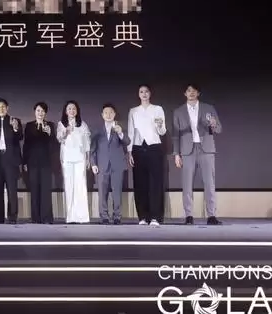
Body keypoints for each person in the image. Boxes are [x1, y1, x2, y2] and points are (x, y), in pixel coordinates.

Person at [172, 84, 223, 225]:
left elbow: (219, 129)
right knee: (187, 184)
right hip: (187, 150)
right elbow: (175, 135)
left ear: (198, 93)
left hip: (206, 149)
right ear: (185, 93)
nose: (191, 93)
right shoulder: (178, 111)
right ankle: (188, 215)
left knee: (209, 183)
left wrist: (213, 124)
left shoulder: (208, 108)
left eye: (194, 90)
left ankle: (211, 215)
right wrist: (176, 154)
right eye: (189, 90)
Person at [127, 84, 166, 227]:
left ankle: (155, 217)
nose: (144, 94)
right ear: (138, 94)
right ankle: (143, 216)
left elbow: (162, 131)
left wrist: (160, 125)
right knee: (140, 183)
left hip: (154, 147)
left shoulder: (158, 109)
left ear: (150, 93)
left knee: (155, 183)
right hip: (138, 148)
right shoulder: (133, 111)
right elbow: (130, 132)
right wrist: (130, 152)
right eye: (141, 92)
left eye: (146, 91)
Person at [90, 103, 130, 225]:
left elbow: (127, 141)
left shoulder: (119, 128)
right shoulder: (97, 131)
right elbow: (93, 149)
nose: (108, 115)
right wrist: (93, 163)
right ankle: (104, 216)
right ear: (102, 115)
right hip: (102, 165)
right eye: (106, 113)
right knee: (102, 192)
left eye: (111, 112)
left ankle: (117, 216)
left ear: (114, 114)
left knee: (117, 192)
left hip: (117, 165)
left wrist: (120, 133)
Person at [57, 100, 91, 224]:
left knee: (80, 186)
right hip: (67, 158)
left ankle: (81, 217)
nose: (72, 111)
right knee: (69, 185)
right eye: (69, 109)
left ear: (77, 111)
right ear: (66, 111)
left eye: (74, 109)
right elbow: (59, 138)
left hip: (80, 158)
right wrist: (66, 131)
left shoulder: (83, 125)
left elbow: (87, 143)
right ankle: (70, 216)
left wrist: (88, 158)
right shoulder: (61, 124)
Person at [22, 102, 55, 224]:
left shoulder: (50, 125)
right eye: (38, 111)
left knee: (46, 190)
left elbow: (53, 144)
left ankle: (46, 217)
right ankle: (36, 217)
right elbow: (26, 144)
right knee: (34, 189)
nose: (40, 113)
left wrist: (50, 134)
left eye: (42, 111)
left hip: (46, 161)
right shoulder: (29, 126)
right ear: (35, 112)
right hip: (32, 161)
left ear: (45, 113)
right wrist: (25, 161)